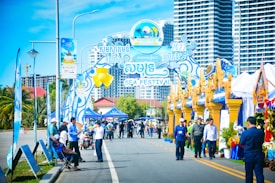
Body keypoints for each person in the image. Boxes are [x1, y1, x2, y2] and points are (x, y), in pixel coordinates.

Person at [240, 116, 264, 183]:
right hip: (258, 154)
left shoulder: (245, 133)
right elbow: (262, 141)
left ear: (248, 123)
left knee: (249, 175)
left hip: (249, 155)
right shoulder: (260, 132)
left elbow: (241, 143)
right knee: (259, 174)